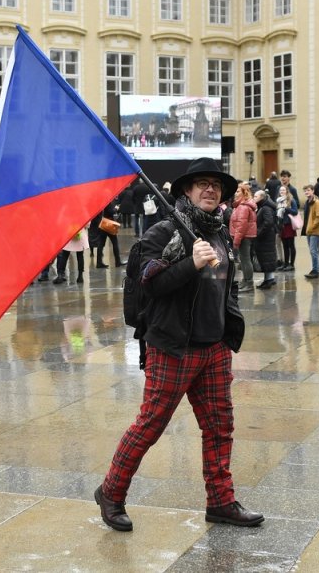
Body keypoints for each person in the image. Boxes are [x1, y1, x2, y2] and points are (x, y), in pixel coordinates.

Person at [95, 157, 261, 532]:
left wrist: (228, 328)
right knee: (151, 424)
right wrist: (190, 264)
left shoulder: (218, 231)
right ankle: (111, 492)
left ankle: (221, 502)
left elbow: (225, 287)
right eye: (201, 183)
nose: (209, 189)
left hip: (214, 346)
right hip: (173, 347)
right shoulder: (163, 231)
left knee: (220, 426)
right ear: (186, 190)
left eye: (216, 185)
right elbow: (149, 283)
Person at [229, 183, 257, 293]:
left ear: (244, 193)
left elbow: (241, 225)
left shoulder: (243, 207)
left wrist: (236, 240)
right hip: (244, 236)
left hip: (244, 236)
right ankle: (245, 281)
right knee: (244, 259)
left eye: (238, 191)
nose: (235, 193)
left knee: (245, 260)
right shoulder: (241, 205)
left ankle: (249, 283)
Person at [253, 190, 278, 289]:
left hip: (266, 238)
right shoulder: (262, 206)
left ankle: (269, 280)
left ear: (262, 197)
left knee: (267, 258)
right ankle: (267, 279)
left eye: (256, 196)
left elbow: (268, 222)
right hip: (265, 237)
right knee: (265, 259)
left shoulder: (266, 208)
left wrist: (258, 232)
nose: (254, 198)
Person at [302, 184, 319, 278]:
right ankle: (314, 269)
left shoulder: (317, 202)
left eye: (308, 190)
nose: (307, 192)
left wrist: (311, 227)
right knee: (312, 251)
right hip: (309, 230)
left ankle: (316, 271)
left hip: (314, 231)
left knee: (313, 251)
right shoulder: (308, 202)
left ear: (313, 191)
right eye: (305, 191)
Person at [276, 185, 298, 272]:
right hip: (282, 225)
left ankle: (291, 264)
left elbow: (295, 212)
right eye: (280, 190)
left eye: (283, 190)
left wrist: (286, 208)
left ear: (287, 191)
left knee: (291, 245)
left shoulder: (291, 200)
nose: (281, 191)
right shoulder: (278, 201)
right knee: (284, 245)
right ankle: (285, 264)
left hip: (289, 225)